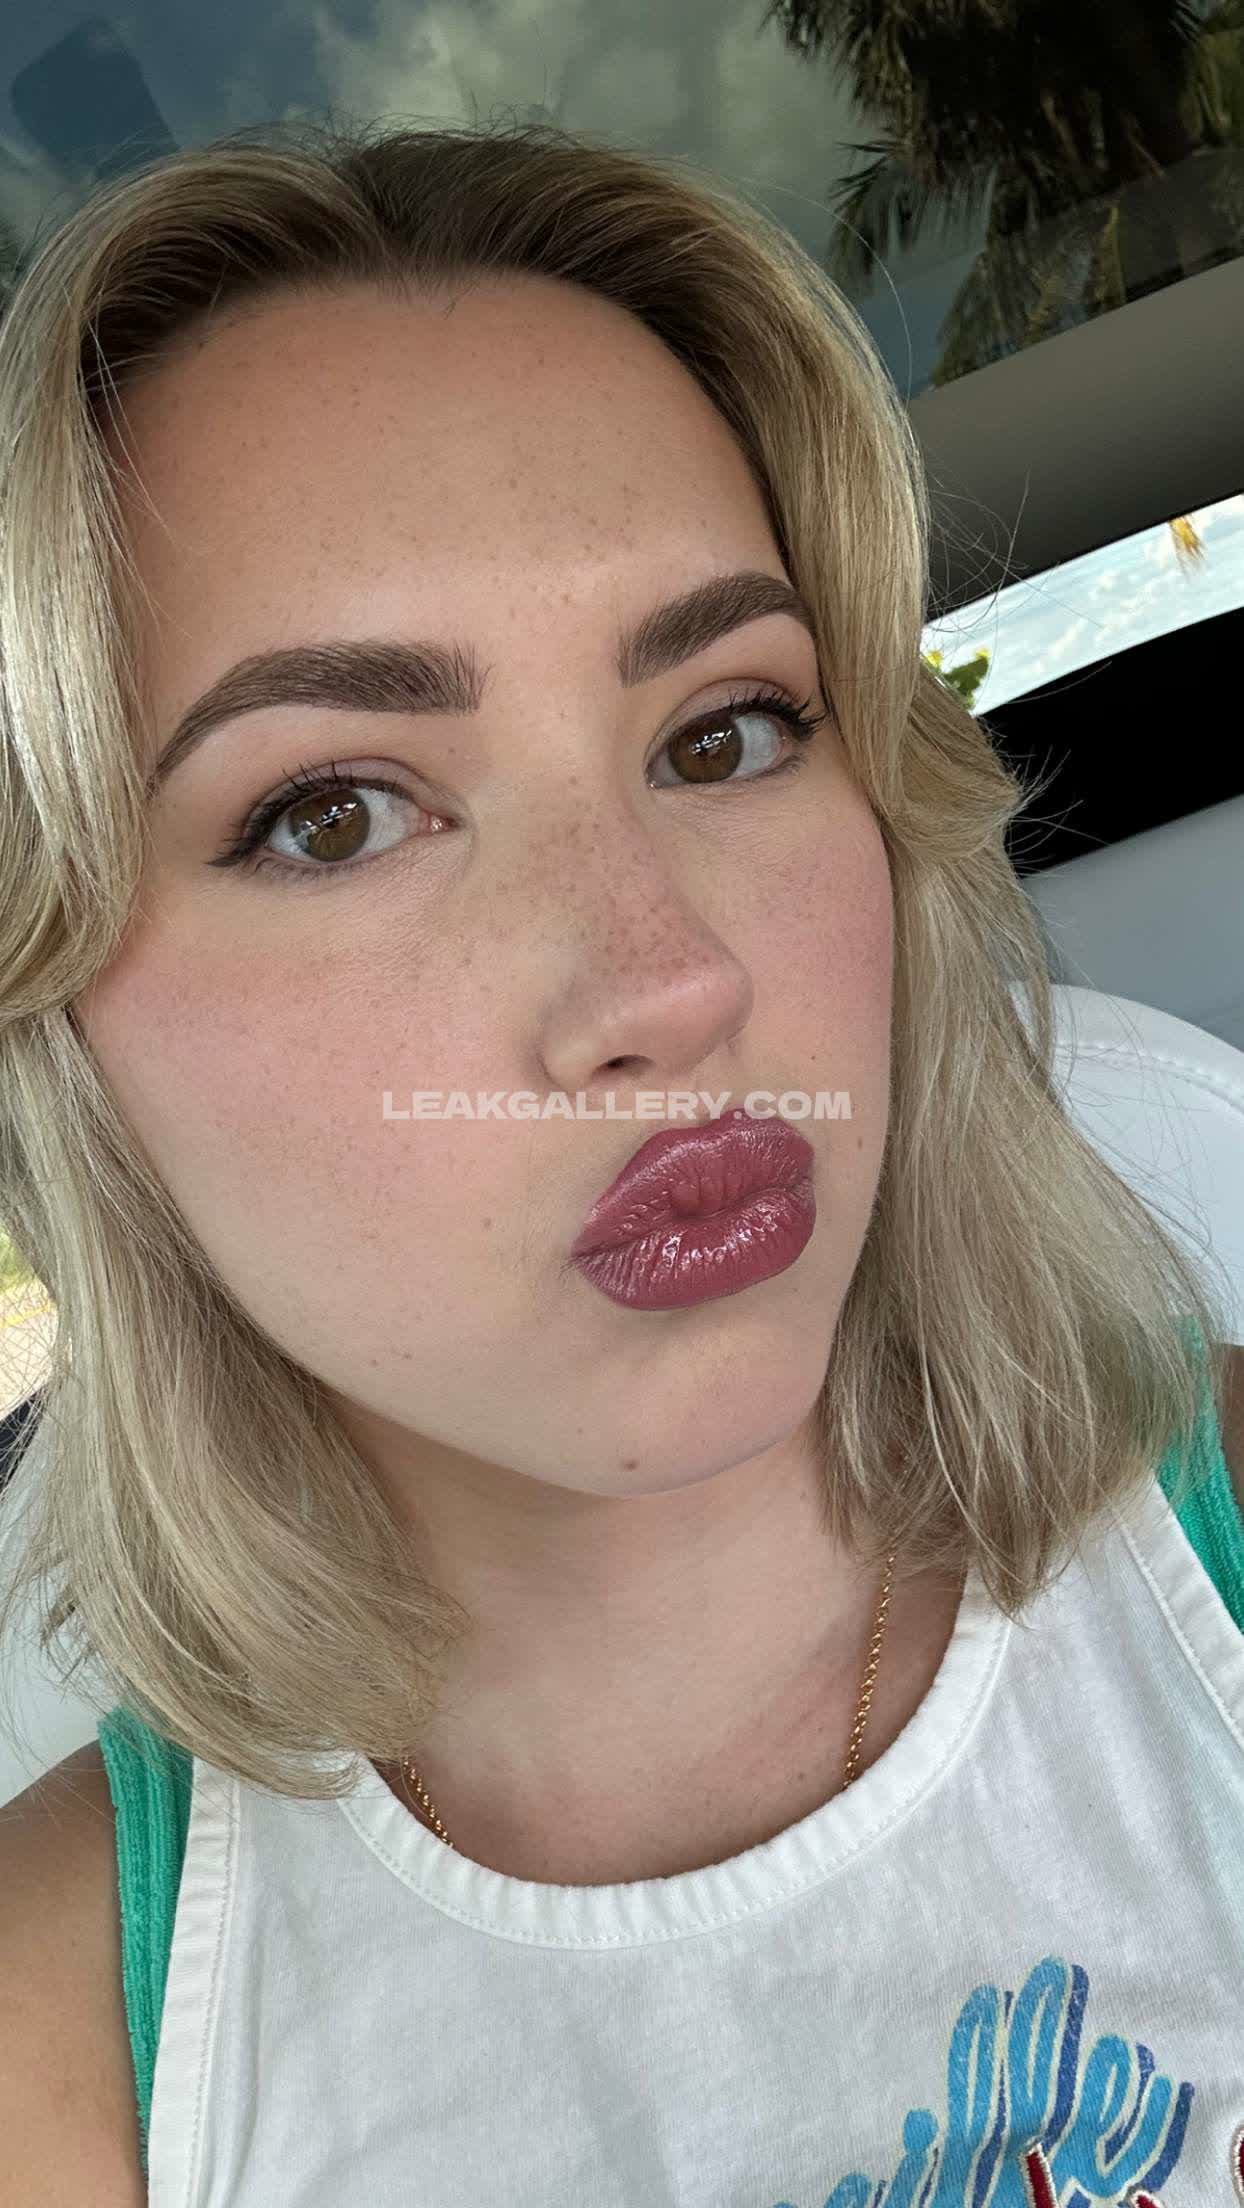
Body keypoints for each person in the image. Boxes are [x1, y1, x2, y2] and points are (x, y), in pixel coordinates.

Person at [0, 113, 1241, 2208]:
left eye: (723, 731)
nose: (668, 979)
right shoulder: (58, 2070)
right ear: (61, 1031)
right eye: (333, 814)